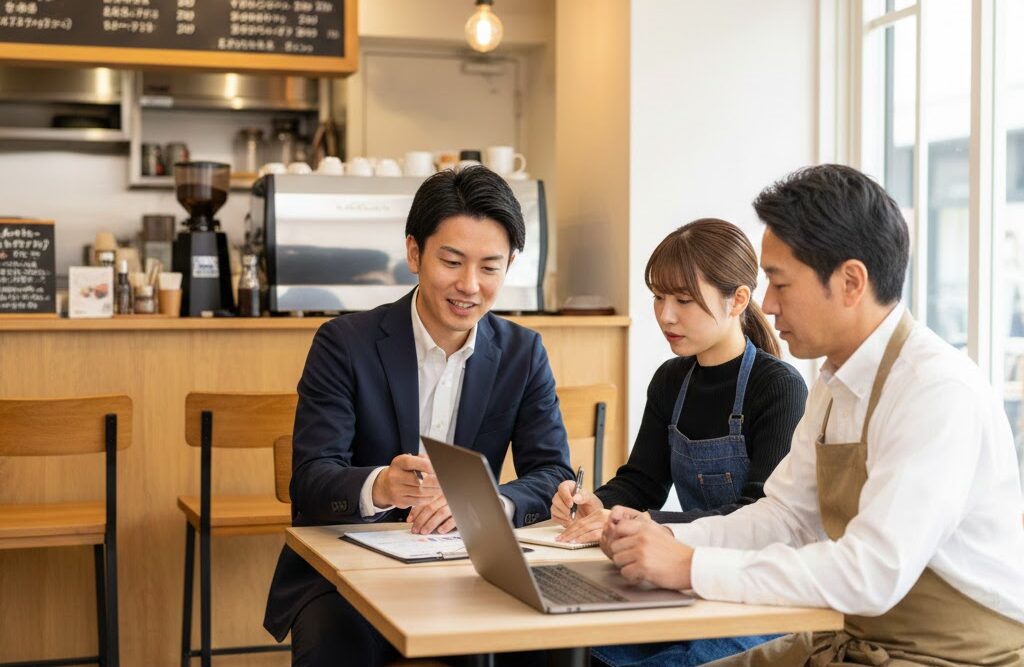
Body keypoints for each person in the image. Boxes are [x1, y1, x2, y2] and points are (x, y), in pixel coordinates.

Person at [601, 164, 1024, 666]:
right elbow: (785, 518)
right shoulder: (833, 381)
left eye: (779, 283)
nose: (765, 304)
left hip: (949, 655)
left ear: (850, 282)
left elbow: (870, 573)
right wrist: (664, 538)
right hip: (853, 637)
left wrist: (690, 565)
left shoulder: (935, 391)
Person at [264, 166, 574, 667]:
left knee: (551, 643)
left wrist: (489, 503)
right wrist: (380, 485)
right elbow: (310, 480)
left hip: (466, 566)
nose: (469, 285)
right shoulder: (345, 344)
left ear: (511, 264)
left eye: (490, 267)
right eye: (452, 261)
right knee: (333, 641)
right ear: (414, 253)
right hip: (351, 568)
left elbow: (553, 473)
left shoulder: (523, 352)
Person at [550, 219, 807, 666]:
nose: (666, 315)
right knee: (578, 648)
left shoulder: (778, 387)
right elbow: (642, 481)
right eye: (659, 297)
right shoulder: (671, 379)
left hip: (758, 591)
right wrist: (594, 504)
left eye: (684, 300)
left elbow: (758, 515)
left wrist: (638, 521)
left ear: (739, 300)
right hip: (685, 581)